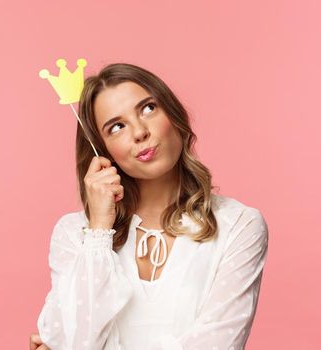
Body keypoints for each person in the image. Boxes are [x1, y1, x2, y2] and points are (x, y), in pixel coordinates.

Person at [28, 63, 269, 350]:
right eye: (117, 127)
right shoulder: (74, 234)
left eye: (148, 109)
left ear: (173, 114)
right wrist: (99, 230)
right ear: (102, 150)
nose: (140, 132)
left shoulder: (239, 225)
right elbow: (75, 340)